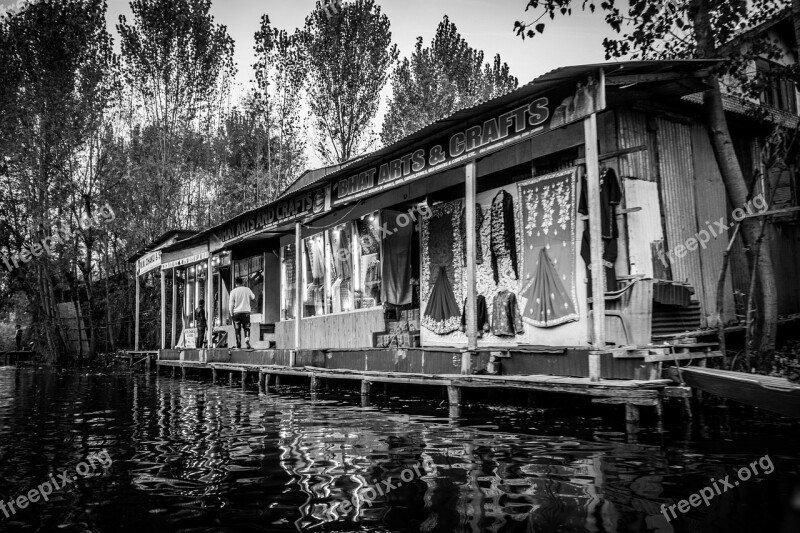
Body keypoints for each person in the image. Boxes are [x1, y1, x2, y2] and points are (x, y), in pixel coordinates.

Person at [228, 277, 255, 349]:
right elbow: (253, 297)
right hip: (246, 312)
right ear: (242, 282)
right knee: (246, 328)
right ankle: (247, 339)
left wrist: (231, 313)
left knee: (237, 330)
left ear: (236, 284)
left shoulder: (233, 292)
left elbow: (231, 304)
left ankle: (239, 344)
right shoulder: (247, 290)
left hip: (236, 313)